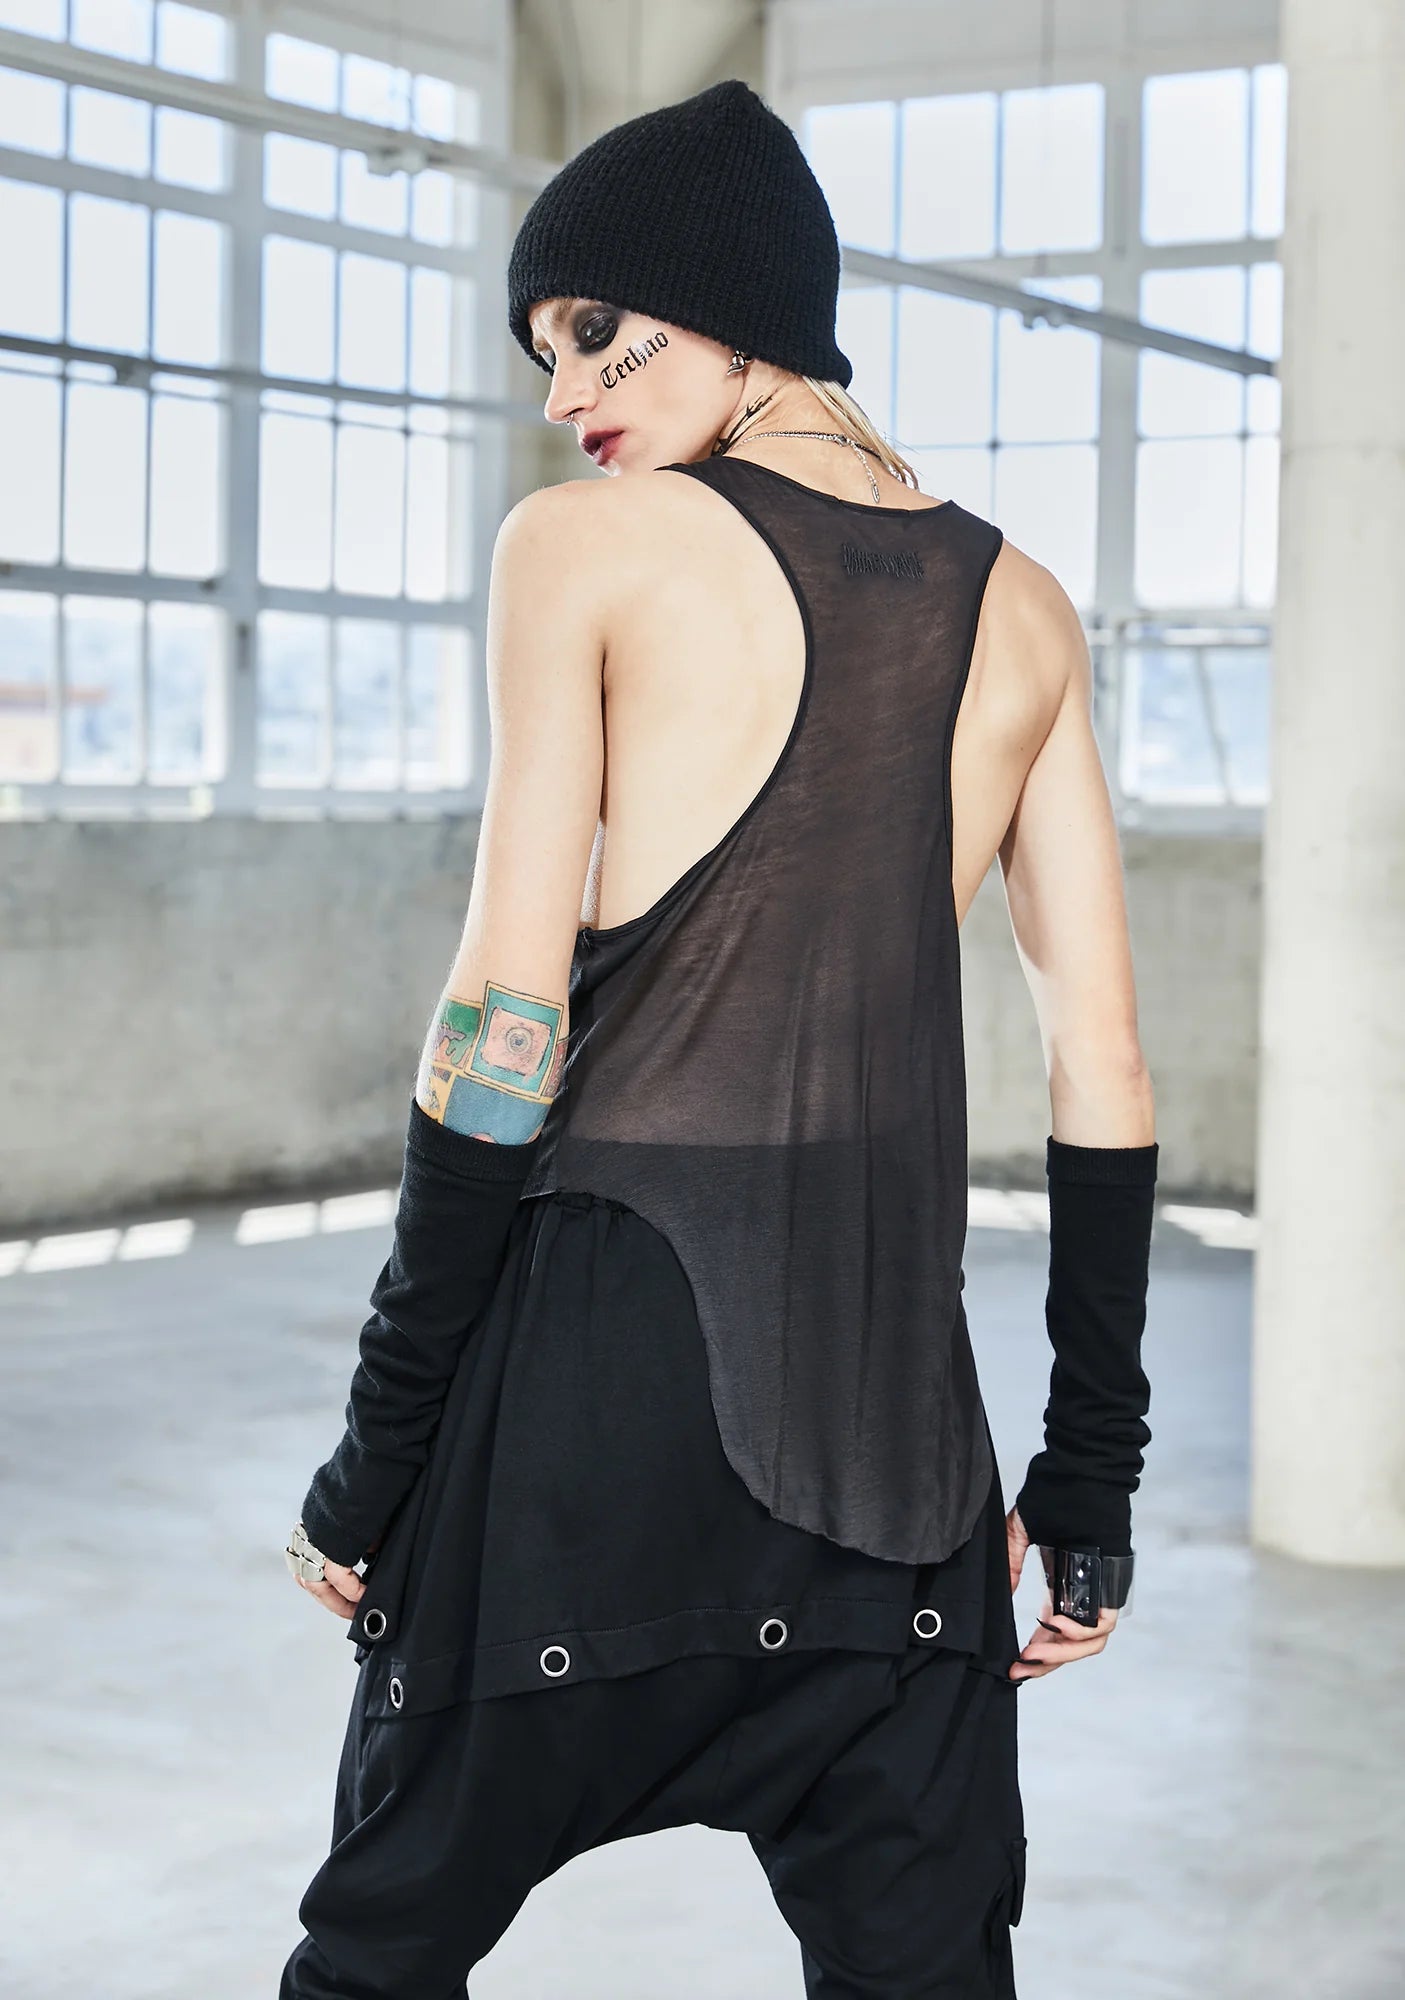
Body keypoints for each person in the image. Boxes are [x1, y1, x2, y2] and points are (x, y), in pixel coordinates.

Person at [278, 78, 1157, 1999]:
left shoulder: (584, 548)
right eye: (541, 350)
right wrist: (1087, 1481)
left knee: (375, 1962)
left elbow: (501, 1024)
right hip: (891, 1451)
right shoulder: (1024, 609)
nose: (563, 393)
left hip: (587, 1404)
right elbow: (1102, 1069)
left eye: (593, 327)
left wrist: (379, 1454)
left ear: (734, 301)